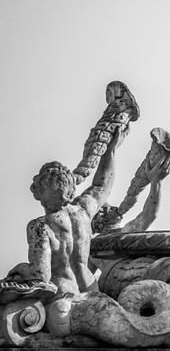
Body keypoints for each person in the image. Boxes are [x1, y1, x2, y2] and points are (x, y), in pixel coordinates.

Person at [5, 127, 126, 298]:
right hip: (92, 290)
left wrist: (19, 269)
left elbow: (41, 274)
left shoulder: (40, 227)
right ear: (70, 192)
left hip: (65, 294)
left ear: (38, 194)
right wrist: (111, 150)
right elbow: (102, 185)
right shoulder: (83, 212)